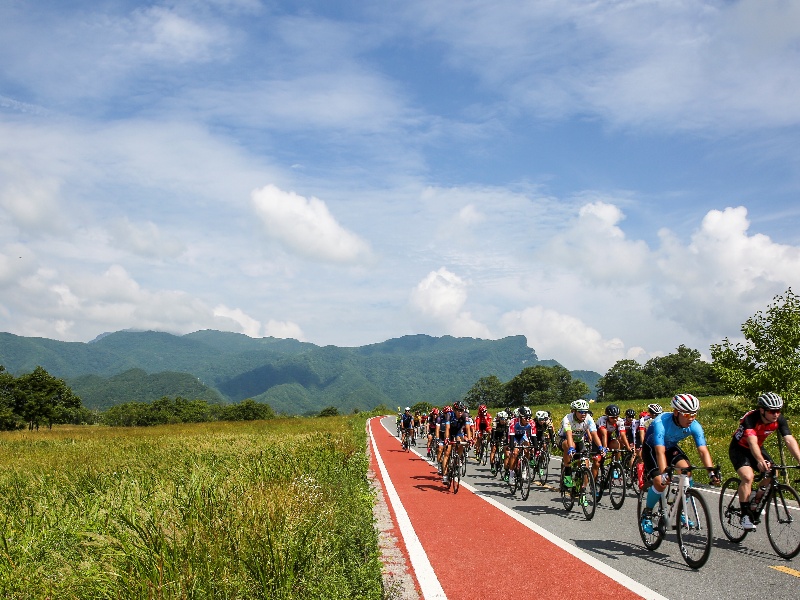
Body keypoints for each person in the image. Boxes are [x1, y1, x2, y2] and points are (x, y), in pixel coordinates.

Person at [640, 394, 720, 534]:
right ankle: (647, 513)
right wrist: (664, 473)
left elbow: (703, 451)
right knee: (660, 482)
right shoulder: (661, 422)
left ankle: (679, 508)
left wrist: (711, 473)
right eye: (687, 415)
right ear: (676, 412)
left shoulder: (694, 426)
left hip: (670, 448)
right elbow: (660, 451)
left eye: (694, 414)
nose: (691, 418)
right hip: (652, 449)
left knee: (687, 471)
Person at [729, 392, 800, 531]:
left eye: (778, 410)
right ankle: (745, 516)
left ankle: (756, 497)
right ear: (762, 410)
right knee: (747, 477)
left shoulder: (778, 420)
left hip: (758, 448)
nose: (776, 414)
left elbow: (789, 440)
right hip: (740, 449)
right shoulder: (751, 418)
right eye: (772, 411)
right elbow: (752, 442)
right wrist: (760, 461)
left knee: (774, 471)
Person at [558, 399, 605, 498]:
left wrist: (601, 447)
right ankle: (567, 474)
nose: (583, 414)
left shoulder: (588, 419)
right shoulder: (567, 419)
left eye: (585, 411)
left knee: (585, 463)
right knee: (569, 445)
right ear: (574, 411)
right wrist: (571, 448)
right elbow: (569, 435)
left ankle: (582, 487)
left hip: (579, 440)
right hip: (564, 439)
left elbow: (594, 434)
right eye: (581, 411)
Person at [441, 401, 470, 486]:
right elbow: (447, 428)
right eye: (458, 410)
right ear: (454, 410)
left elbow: (468, 429)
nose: (460, 412)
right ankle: (445, 475)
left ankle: (458, 458)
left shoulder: (465, 415)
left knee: (461, 443)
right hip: (449, 432)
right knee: (447, 452)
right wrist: (446, 439)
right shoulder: (450, 415)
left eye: (462, 410)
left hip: (458, 432)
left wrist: (470, 439)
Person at [505, 406, 535, 482]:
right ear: (520, 417)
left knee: (527, 448)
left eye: (529, 417)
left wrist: (535, 446)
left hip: (522, 436)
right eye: (526, 418)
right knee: (515, 453)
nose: (528, 419)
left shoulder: (531, 422)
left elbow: (533, 436)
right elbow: (511, 435)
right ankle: (511, 475)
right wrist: (511, 446)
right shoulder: (513, 422)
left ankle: (524, 468)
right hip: (513, 436)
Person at [490, 410, 510, 475]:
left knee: (506, 450)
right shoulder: (495, 422)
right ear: (499, 418)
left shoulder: (507, 422)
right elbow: (493, 433)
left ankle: (504, 464)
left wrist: (507, 442)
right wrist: (493, 441)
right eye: (502, 419)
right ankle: (492, 466)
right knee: (493, 449)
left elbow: (507, 433)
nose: (503, 420)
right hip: (495, 436)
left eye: (505, 419)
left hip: (502, 436)